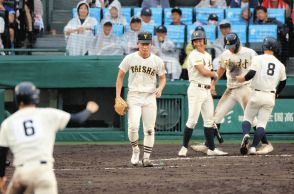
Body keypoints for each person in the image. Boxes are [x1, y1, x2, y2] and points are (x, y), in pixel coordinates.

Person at [0, 81, 99, 194]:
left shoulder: (8, 123)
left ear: (17, 100)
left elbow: (1, 154)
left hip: (22, 173)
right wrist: (89, 109)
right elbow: (78, 119)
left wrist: (1, 178)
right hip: (44, 173)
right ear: (35, 97)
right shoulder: (48, 114)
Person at [191, 33, 272, 154]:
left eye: (233, 46)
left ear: (238, 43)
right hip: (230, 89)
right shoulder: (226, 54)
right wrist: (213, 84)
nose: (231, 48)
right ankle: (208, 145)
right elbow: (221, 70)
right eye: (229, 46)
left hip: (245, 88)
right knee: (216, 117)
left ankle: (265, 144)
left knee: (250, 117)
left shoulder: (249, 53)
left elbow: (258, 69)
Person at [116, 32, 166, 167]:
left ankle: (147, 158)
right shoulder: (130, 58)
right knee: (133, 127)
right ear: (138, 44)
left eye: (147, 44)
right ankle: (135, 150)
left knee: (149, 129)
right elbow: (120, 76)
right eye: (142, 44)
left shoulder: (157, 60)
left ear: (151, 44)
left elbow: (162, 77)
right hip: (134, 96)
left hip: (150, 97)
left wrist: (160, 88)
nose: (145, 46)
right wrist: (118, 96)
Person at [177, 29, 228, 157]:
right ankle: (183, 147)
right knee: (192, 120)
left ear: (204, 41)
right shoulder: (194, 55)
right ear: (193, 43)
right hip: (196, 89)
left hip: (206, 89)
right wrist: (216, 74)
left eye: (200, 40)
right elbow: (203, 72)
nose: (198, 43)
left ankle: (211, 148)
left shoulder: (207, 55)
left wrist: (212, 86)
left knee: (209, 121)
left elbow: (208, 74)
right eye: (196, 41)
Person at [236, 37, 287, 155]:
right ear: (275, 48)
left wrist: (242, 79)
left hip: (256, 94)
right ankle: (253, 147)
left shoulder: (257, 58)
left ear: (264, 46)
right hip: (270, 96)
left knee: (247, 118)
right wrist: (277, 93)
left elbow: (251, 73)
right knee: (261, 124)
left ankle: (246, 134)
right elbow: (283, 82)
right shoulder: (280, 64)